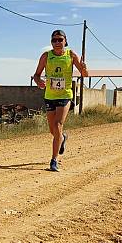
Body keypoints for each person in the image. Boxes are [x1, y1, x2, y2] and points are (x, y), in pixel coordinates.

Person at [33, 29, 88, 171]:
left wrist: (83, 67)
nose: (57, 43)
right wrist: (38, 82)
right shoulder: (46, 56)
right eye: (54, 40)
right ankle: (62, 138)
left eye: (60, 40)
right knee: (53, 130)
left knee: (58, 124)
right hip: (50, 96)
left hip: (65, 95)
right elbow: (37, 75)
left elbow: (84, 74)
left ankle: (54, 160)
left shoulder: (71, 55)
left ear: (65, 41)